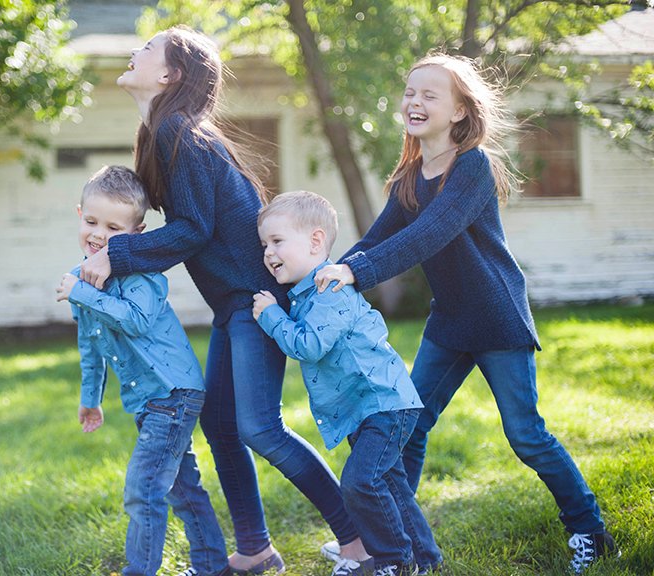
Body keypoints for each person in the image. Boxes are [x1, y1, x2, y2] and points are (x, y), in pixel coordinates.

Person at [75, 26, 366, 575]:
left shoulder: (178, 132)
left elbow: (192, 230)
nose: (134, 51)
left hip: (255, 302)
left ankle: (358, 540)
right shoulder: (163, 132)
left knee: (259, 427)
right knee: (221, 424)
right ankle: (255, 551)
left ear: (170, 75)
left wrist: (117, 254)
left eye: (146, 49)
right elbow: (187, 226)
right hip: (234, 303)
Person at [313, 53, 619, 574]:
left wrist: (358, 273)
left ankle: (590, 529)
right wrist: (324, 277)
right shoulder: (411, 174)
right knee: (407, 427)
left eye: (430, 95)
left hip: (497, 318)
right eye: (410, 93)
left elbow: (429, 234)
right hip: (449, 321)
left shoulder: (472, 166)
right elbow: (379, 238)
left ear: (458, 112)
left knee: (526, 434)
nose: (415, 102)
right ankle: (399, 544)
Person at [252, 191, 443, 576]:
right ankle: (426, 560)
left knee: (360, 482)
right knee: (391, 485)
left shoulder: (330, 291)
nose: (268, 253)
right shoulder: (306, 294)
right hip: (366, 408)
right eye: (264, 245)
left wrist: (271, 316)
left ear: (316, 241)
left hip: (383, 404)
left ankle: (393, 561)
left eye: (276, 241)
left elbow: (308, 345)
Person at [55, 165, 231, 576]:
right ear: (79, 213)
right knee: (183, 489)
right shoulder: (83, 278)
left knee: (143, 490)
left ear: (137, 233)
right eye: (92, 221)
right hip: (150, 399)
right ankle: (213, 566)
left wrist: (81, 292)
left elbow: (134, 319)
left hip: (173, 395)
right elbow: (91, 346)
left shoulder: (142, 274)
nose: (99, 234)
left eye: (114, 227)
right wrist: (90, 399)